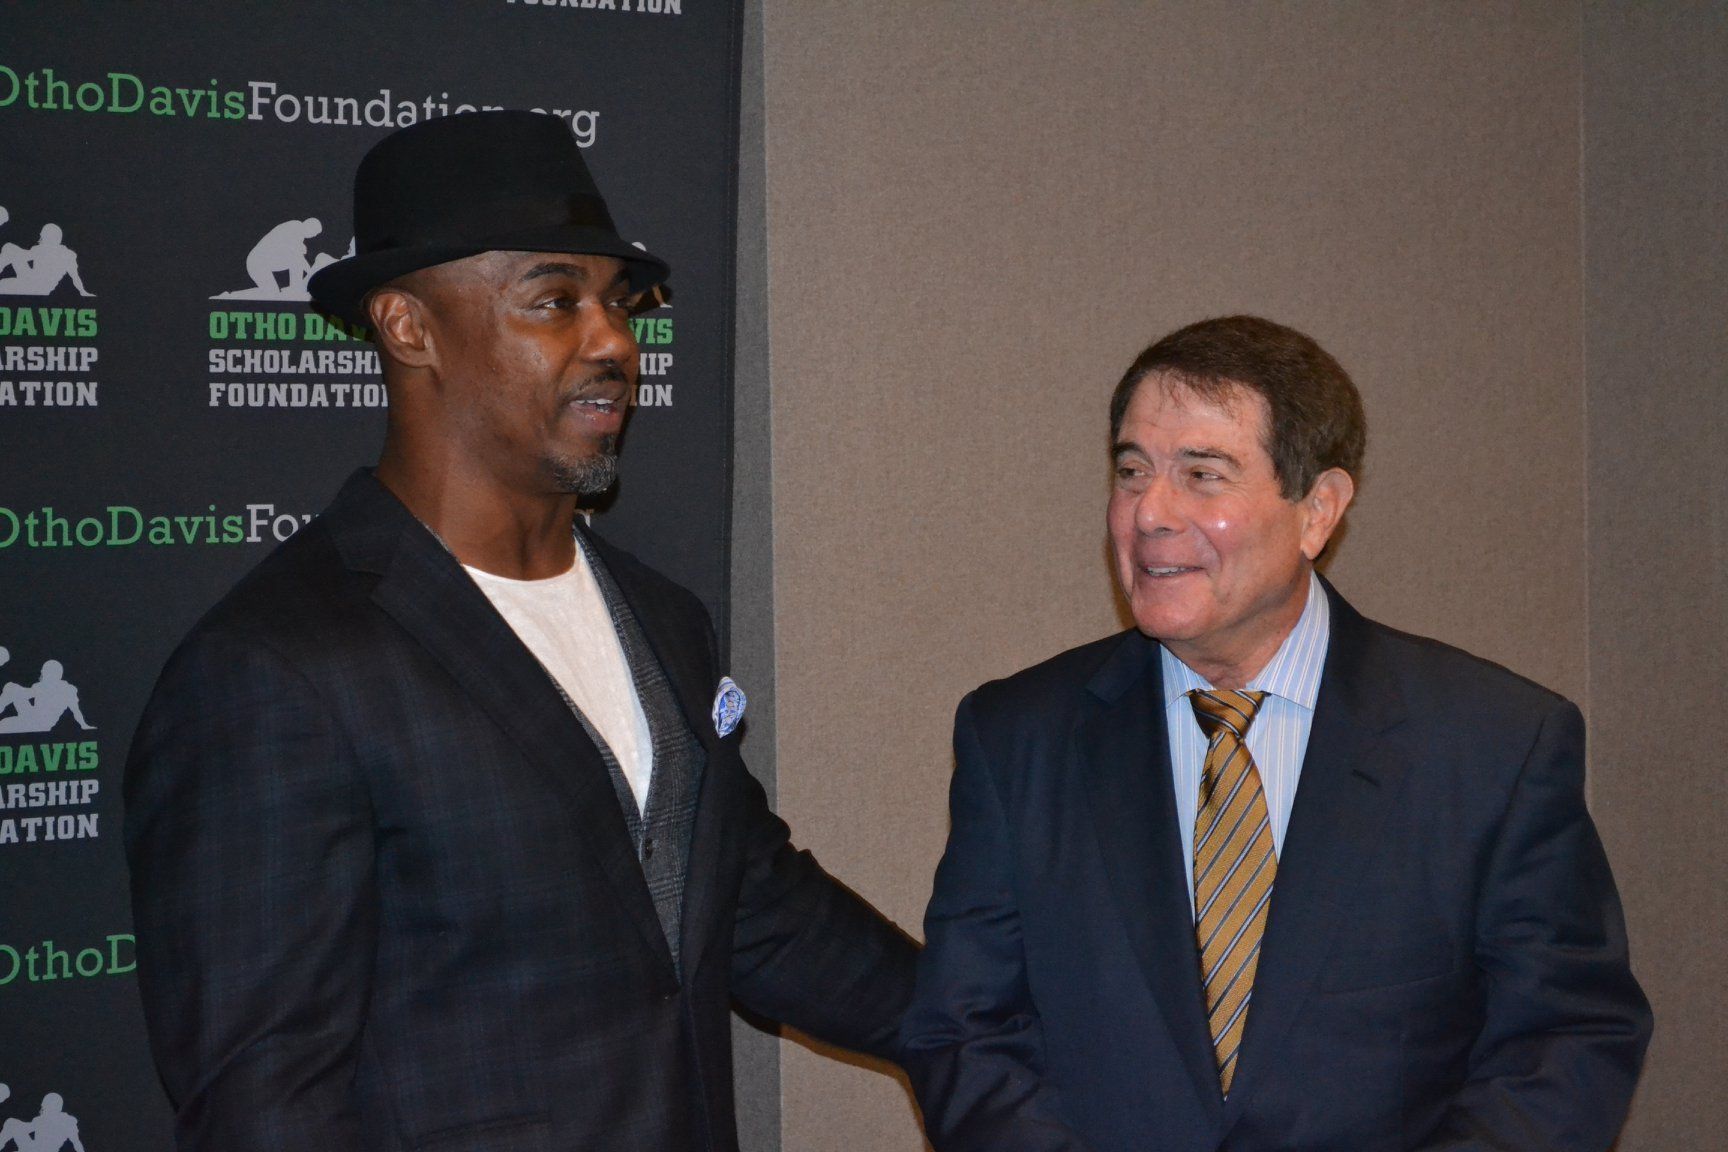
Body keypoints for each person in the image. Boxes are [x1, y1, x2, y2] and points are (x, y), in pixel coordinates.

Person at [125, 110, 917, 1152]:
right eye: (554, 301)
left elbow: (745, 904)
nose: (614, 342)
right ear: (409, 327)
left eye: (618, 304)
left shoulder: (666, 622)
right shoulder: (278, 668)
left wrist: (1013, 1013)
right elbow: (267, 1110)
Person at [902, 316, 1651, 1151]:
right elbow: (963, 1032)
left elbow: (1567, 1038)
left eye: (1202, 474)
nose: (1149, 512)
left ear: (1317, 511)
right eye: (1132, 470)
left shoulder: (1495, 745)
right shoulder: (1017, 739)